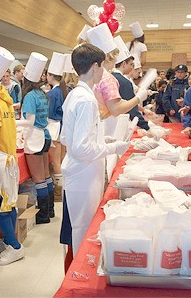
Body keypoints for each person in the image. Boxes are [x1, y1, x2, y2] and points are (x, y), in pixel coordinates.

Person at [60, 43, 130, 260]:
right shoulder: (86, 99)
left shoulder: (76, 94)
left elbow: (68, 137)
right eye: (102, 67)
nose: (104, 72)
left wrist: (102, 138)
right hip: (83, 173)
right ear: (95, 66)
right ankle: (80, 268)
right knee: (83, 227)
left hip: (81, 170)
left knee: (83, 225)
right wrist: (112, 147)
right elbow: (81, 147)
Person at [0, 46, 26, 266]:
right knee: (8, 204)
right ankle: (12, 242)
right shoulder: (5, 95)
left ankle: (14, 246)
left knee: (0, 206)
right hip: (8, 156)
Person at [17, 52, 53, 224]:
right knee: (46, 175)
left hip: (35, 137)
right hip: (45, 135)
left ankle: (43, 215)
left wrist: (11, 122)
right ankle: (50, 210)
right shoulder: (41, 94)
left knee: (38, 178)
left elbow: (29, 121)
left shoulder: (30, 96)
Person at [46, 52, 68, 203]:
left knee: (55, 162)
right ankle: (64, 189)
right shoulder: (65, 90)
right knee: (62, 159)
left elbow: (49, 112)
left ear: (50, 75)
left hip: (54, 127)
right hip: (63, 127)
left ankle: (59, 193)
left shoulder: (53, 93)